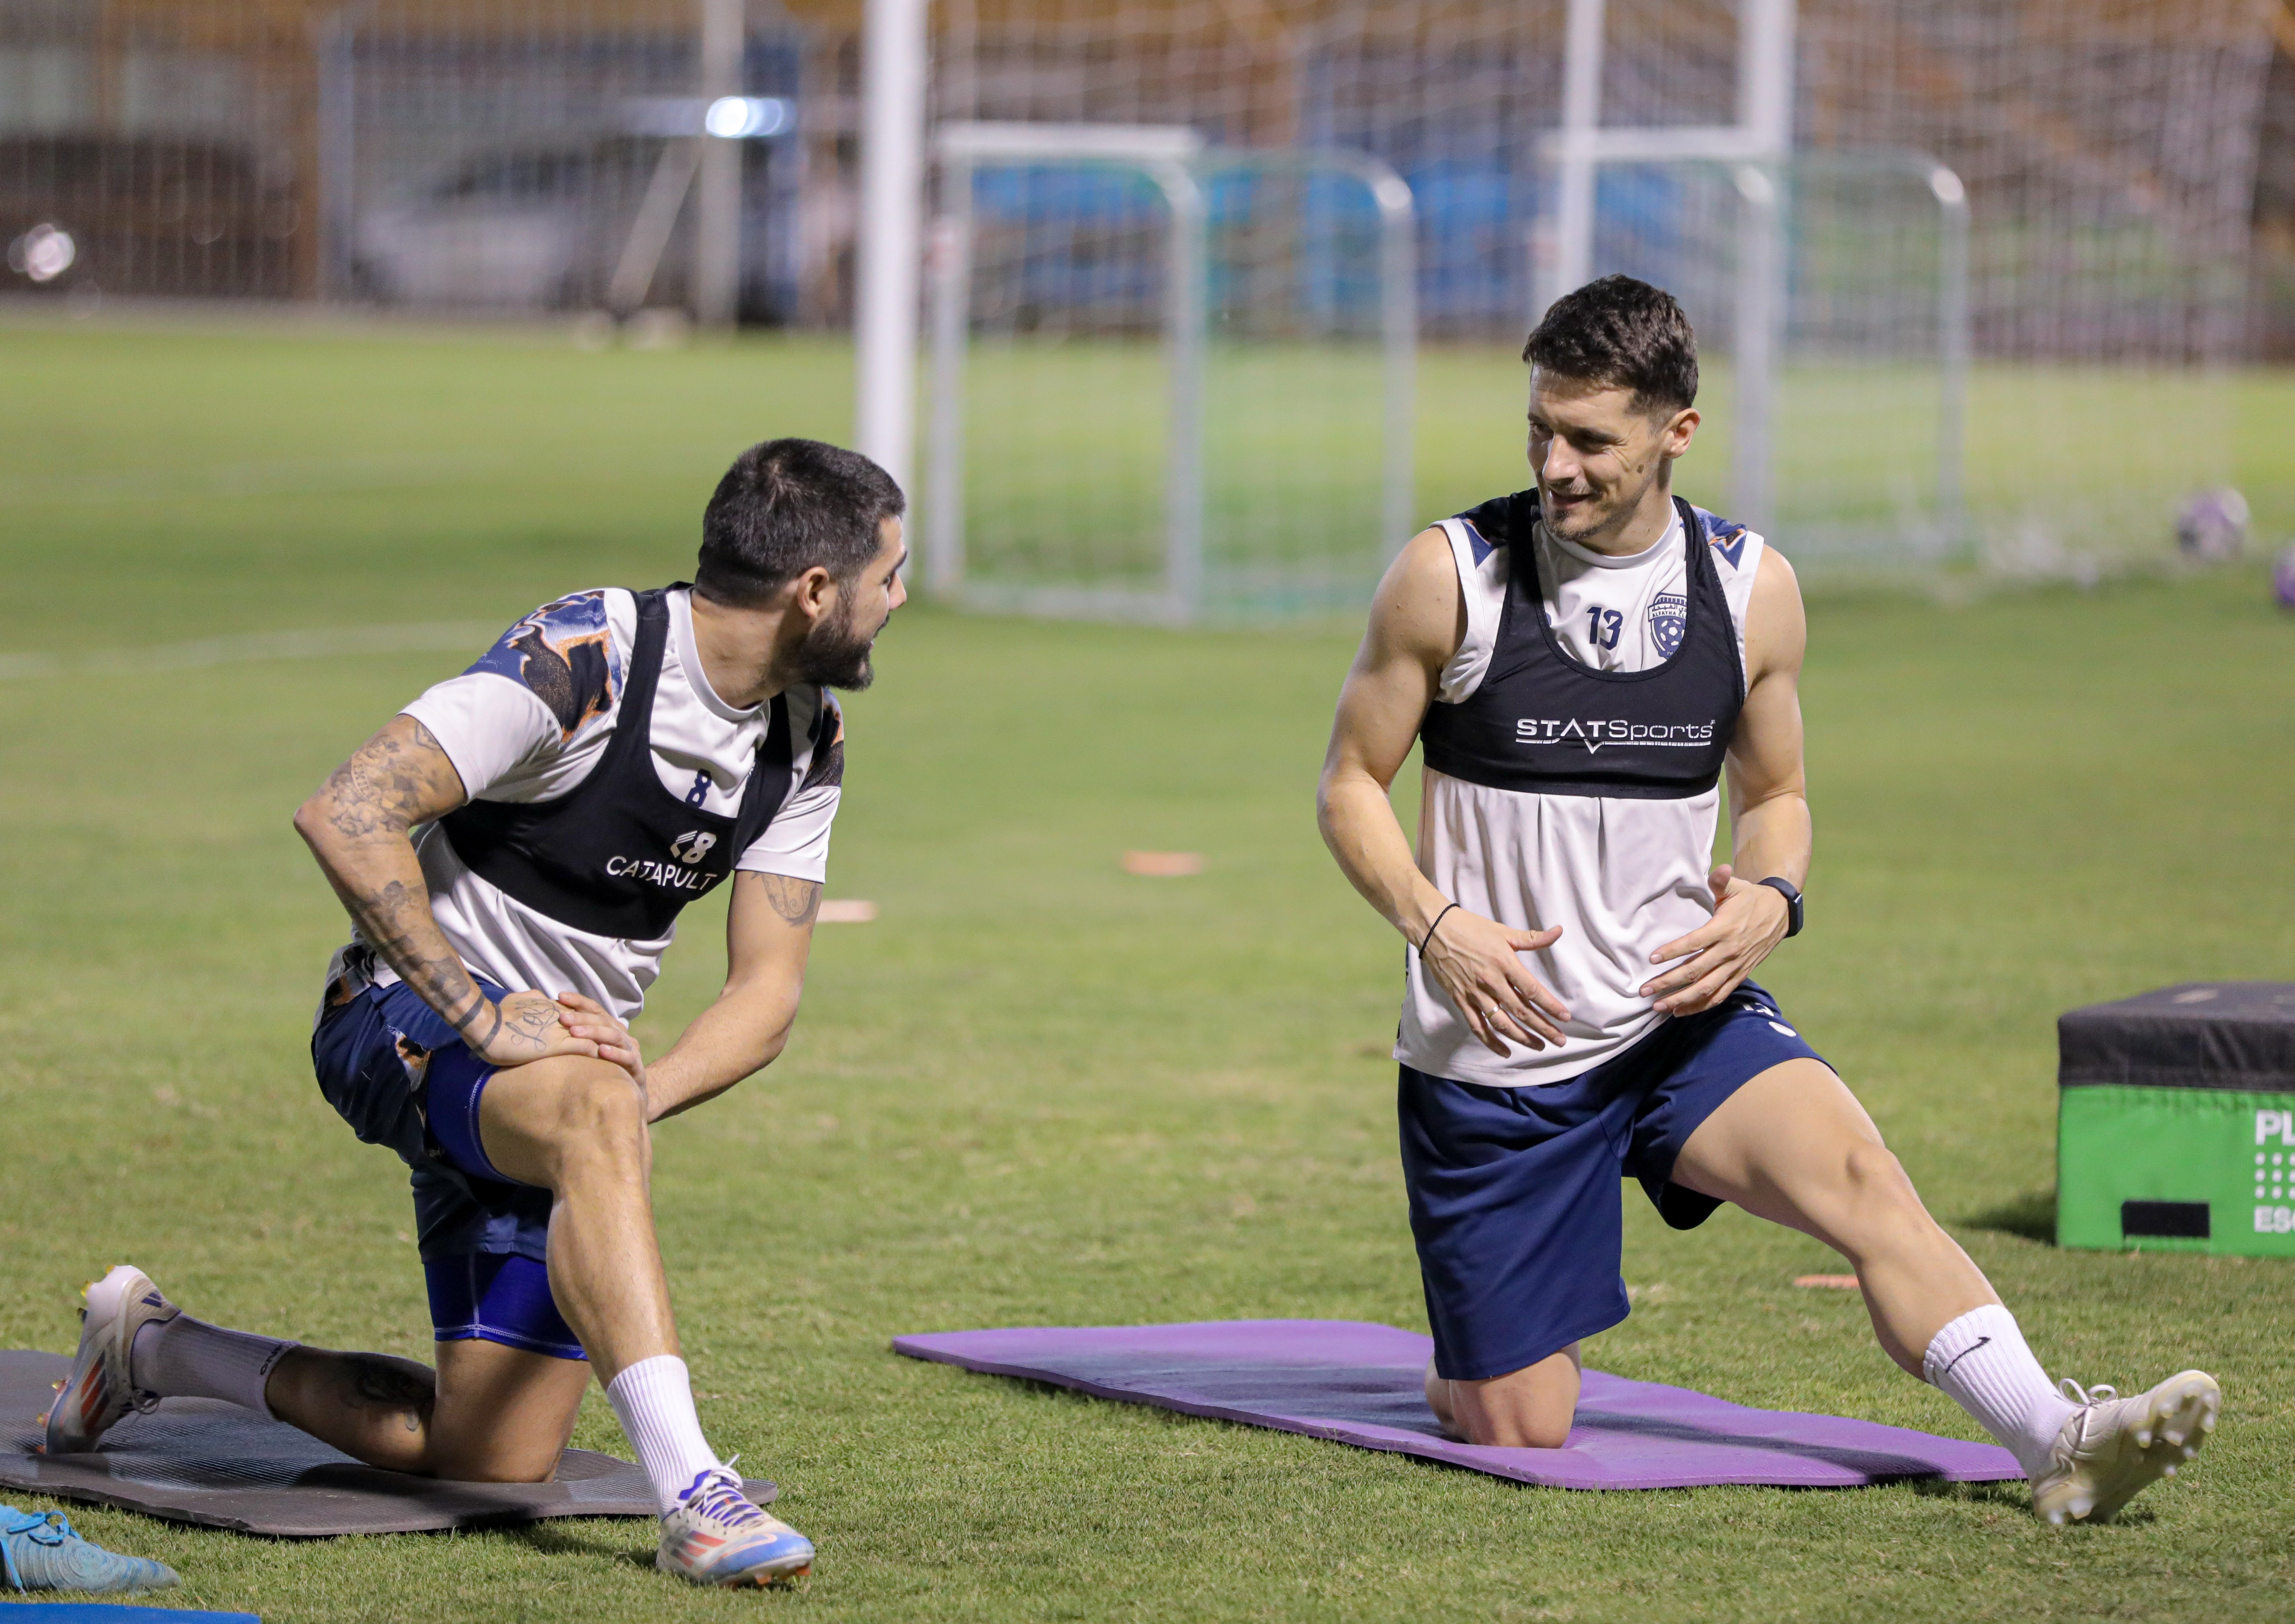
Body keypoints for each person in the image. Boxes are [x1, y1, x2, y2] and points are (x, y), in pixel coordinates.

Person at [1315, 275, 2219, 1524]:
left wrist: (1775, 894)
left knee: (1863, 1177)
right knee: (1518, 1423)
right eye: (1539, 432)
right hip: (1503, 1054)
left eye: (1590, 439)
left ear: (1676, 431)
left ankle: (2060, 1433)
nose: (1555, 465)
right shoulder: (1449, 576)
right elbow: (1349, 783)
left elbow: (1778, 795)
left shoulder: (1750, 589)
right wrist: (1437, 923)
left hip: (1680, 1018)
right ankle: (1470, 1359)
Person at [43, 436, 909, 1586]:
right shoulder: (587, 656)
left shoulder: (803, 741)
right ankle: (697, 1495)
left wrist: (620, 1102)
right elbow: (347, 810)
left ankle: (151, 1347)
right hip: (394, 1019)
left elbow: (766, 997)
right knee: (592, 1111)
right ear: (814, 591)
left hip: (553, 1096)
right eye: (888, 576)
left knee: (487, 1457)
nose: (897, 600)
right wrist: (492, 1020)